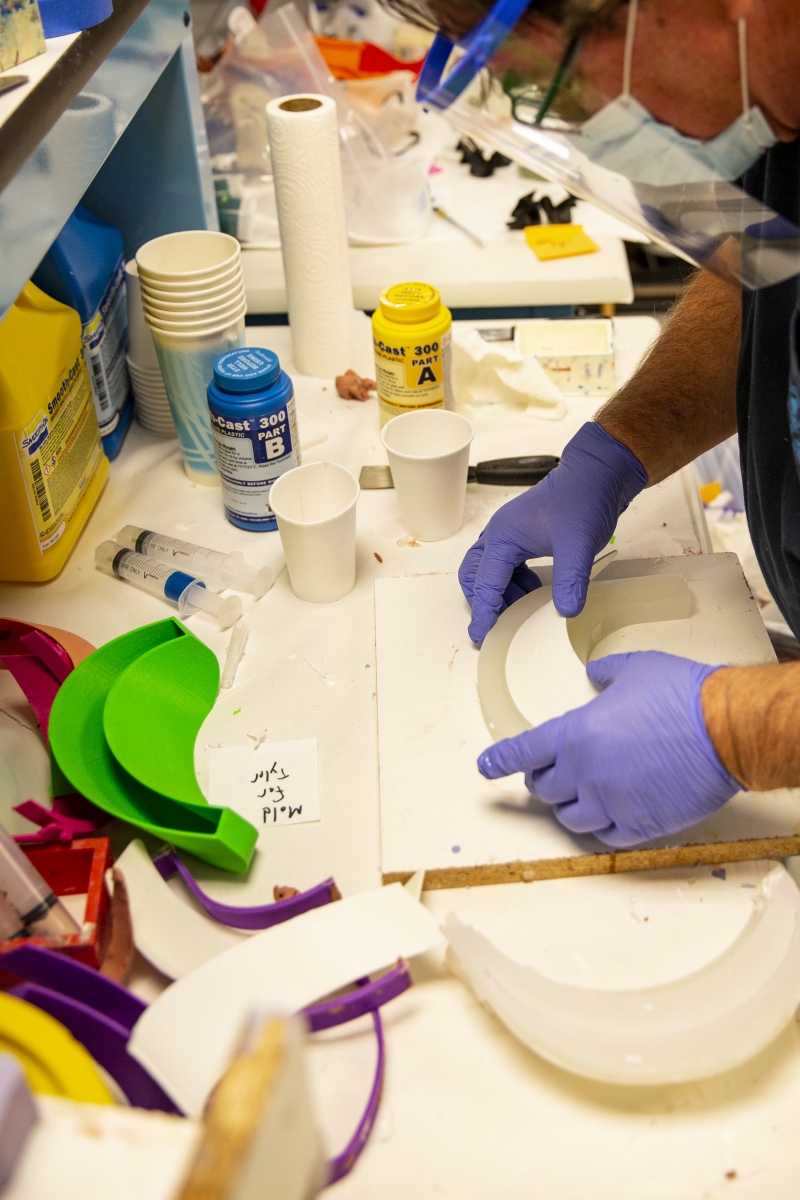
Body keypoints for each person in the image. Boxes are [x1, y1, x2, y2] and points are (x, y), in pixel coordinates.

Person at [386, 0, 800, 846]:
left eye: (560, 81)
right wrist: (615, 450)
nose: (579, 124)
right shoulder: (772, 98)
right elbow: (769, 268)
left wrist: (738, 729)